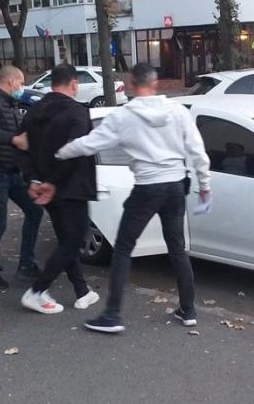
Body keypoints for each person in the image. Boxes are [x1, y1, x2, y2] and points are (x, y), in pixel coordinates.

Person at [56, 63, 211, 333]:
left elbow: (91, 143)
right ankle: (188, 310)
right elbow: (197, 151)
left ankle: (112, 315)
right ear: (155, 83)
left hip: (147, 188)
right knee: (177, 249)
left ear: (131, 84)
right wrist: (205, 185)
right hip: (175, 186)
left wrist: (59, 153)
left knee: (123, 248)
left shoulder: (125, 115)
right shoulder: (177, 111)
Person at [18, 64, 100, 314]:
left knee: (66, 240)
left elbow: (21, 146)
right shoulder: (77, 112)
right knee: (73, 241)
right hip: (71, 187)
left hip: (45, 189)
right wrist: (53, 182)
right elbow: (75, 151)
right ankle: (37, 290)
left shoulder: (34, 111)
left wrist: (34, 180)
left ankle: (82, 291)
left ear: (51, 83)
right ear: (74, 83)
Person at [0, 65, 43, 289]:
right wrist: (15, 140)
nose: (21, 87)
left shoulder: (6, 102)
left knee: (34, 210)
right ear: (11, 81)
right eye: (21, 82)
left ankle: (26, 263)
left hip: (11, 171)